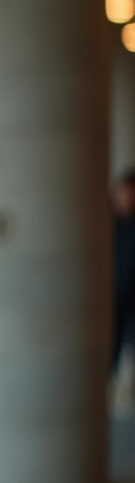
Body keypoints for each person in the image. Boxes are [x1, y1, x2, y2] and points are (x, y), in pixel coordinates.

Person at [113, 171, 135, 403]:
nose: (126, 198)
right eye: (123, 193)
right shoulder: (108, 225)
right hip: (114, 296)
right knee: (114, 347)